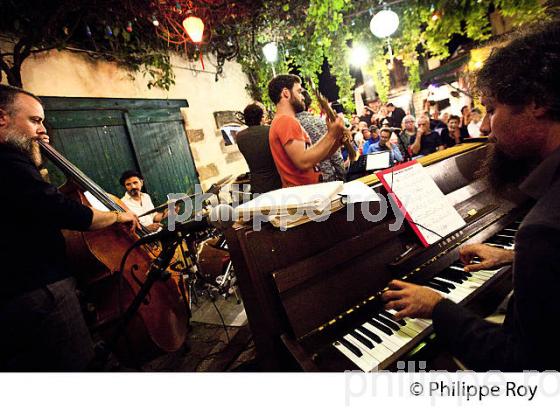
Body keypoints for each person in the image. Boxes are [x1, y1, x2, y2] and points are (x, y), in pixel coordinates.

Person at [382, 20, 560, 371]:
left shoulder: (543, 229)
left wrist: (436, 306)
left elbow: (522, 365)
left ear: (537, 102)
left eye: (492, 109)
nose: (484, 126)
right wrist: (512, 257)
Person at [0, 84, 139, 371]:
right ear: (2, 118)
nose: (42, 129)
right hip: (38, 288)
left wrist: (45, 163)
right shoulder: (8, 160)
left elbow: (31, 204)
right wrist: (115, 216)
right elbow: (62, 211)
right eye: (35, 120)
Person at [267, 74, 345, 187]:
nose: (302, 97)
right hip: (305, 194)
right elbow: (303, 162)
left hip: (307, 192)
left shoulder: (284, 120)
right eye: (299, 92)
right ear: (286, 93)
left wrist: (336, 142)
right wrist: (331, 135)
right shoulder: (286, 121)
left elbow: (313, 159)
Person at [296, 91, 346, 182]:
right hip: (332, 178)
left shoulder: (294, 125)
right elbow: (336, 156)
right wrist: (342, 176)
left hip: (312, 182)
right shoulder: (322, 122)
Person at [235, 103, 282, 194]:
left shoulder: (240, 137)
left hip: (257, 184)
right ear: (261, 117)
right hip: (276, 181)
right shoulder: (270, 131)